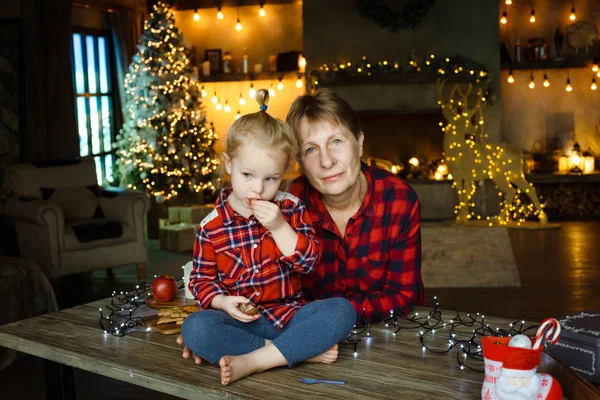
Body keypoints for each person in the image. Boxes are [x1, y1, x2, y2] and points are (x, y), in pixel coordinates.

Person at [180, 89, 356, 386]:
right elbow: (200, 282)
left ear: (283, 174)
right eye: (248, 175)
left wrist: (278, 227)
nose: (258, 189)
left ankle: (258, 360)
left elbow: (308, 262)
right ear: (229, 164)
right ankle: (291, 353)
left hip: (289, 318)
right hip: (240, 324)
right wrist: (223, 303)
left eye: (270, 179)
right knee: (195, 328)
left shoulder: (290, 209)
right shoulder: (211, 227)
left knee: (342, 311)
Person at [285, 88, 424, 323]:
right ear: (300, 161)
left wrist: (332, 312)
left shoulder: (398, 201)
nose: (327, 161)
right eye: (311, 149)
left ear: (359, 143)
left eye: (336, 141)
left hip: (393, 330)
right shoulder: (287, 204)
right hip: (309, 333)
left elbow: (401, 295)